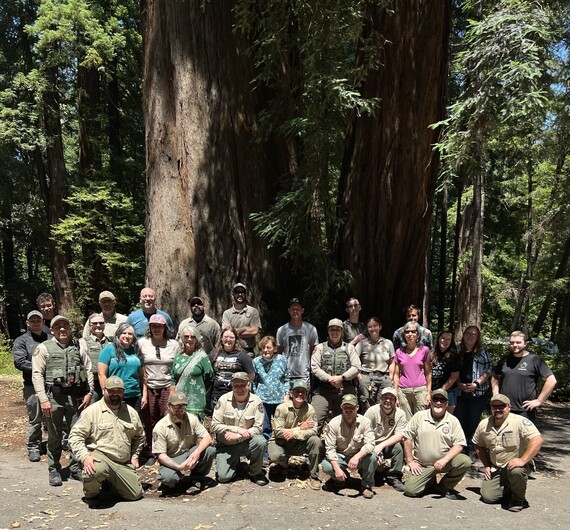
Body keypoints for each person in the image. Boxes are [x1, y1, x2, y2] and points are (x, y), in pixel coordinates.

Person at [32, 315, 94, 486]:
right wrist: (43, 399)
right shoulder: (44, 348)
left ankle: (75, 467)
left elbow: (88, 368)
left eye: (65, 325)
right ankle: (54, 469)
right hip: (54, 398)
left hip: (76, 398)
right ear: (52, 330)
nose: (62, 329)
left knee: (77, 434)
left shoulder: (79, 345)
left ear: (69, 328)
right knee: (54, 435)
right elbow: (37, 374)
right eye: (57, 326)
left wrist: (89, 392)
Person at [68, 376, 145, 507]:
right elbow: (75, 436)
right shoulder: (91, 411)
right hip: (101, 456)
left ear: (123, 392)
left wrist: (135, 456)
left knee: (135, 495)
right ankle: (92, 494)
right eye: (112, 391)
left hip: (122, 462)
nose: (115, 394)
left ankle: (109, 483)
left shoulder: (131, 412)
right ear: (104, 390)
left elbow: (140, 436)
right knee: (96, 469)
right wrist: (85, 457)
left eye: (119, 391)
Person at [473, 393, 543, 512]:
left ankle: (518, 499)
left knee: (516, 471)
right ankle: (511, 489)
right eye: (495, 406)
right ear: (491, 408)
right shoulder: (484, 424)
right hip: (497, 467)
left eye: (502, 406)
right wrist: (486, 466)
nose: (498, 409)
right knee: (488, 497)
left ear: (509, 407)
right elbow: (478, 444)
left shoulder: (520, 421)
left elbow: (537, 439)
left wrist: (523, 460)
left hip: (516, 465)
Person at [402, 388, 471, 499]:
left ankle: (444, 487)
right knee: (411, 491)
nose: (438, 403)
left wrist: (444, 460)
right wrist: (410, 461)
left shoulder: (453, 420)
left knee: (465, 461)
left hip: (444, 463)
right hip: (422, 465)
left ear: (446, 403)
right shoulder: (419, 416)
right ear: (431, 401)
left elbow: (459, 444)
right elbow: (407, 437)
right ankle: (430, 481)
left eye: (442, 400)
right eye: (435, 399)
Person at [211, 372, 268, 486]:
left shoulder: (256, 401)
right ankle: (237, 464)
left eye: (243, 385)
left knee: (260, 441)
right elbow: (214, 425)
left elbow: (258, 428)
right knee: (223, 478)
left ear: (248, 385)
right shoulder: (223, 400)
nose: (239, 388)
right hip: (227, 445)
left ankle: (255, 472)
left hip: (246, 442)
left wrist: (238, 436)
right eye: (236, 385)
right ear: (232, 386)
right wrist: (237, 430)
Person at [152, 391, 215, 493]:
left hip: (189, 453)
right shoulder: (160, 427)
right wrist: (179, 467)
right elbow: (161, 455)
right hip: (172, 458)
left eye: (183, 406)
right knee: (168, 478)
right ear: (169, 406)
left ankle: (197, 478)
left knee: (209, 451)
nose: (180, 410)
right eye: (177, 407)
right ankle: (174, 482)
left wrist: (196, 453)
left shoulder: (192, 419)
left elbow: (207, 438)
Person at [138, 314, 180, 466]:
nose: (156, 329)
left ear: (165, 328)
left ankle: (168, 450)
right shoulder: (142, 343)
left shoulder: (173, 344)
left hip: (168, 386)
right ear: (149, 327)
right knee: (150, 420)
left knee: (168, 419)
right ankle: (152, 451)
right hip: (148, 387)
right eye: (153, 326)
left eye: (160, 326)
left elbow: (178, 366)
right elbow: (139, 365)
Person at [491, 330, 557, 421]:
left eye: (518, 342)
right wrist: (496, 394)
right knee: (503, 435)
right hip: (504, 407)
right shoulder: (505, 359)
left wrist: (539, 400)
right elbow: (495, 375)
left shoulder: (534, 360)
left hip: (525, 410)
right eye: (512, 342)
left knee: (524, 435)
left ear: (525, 344)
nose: (515, 345)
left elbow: (551, 380)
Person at [321, 394, 377, 499]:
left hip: (358, 457)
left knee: (373, 457)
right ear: (341, 408)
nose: (348, 410)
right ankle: (340, 479)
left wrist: (357, 457)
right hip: (341, 457)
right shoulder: (333, 423)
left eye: (351, 407)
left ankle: (367, 486)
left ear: (357, 407)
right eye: (346, 407)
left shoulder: (365, 422)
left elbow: (370, 444)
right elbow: (330, 449)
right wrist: (337, 468)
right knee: (326, 465)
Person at [268, 380, 322, 490]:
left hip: (299, 443)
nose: (300, 394)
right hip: (281, 442)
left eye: (303, 392)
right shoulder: (281, 408)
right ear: (291, 394)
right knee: (275, 456)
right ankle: (283, 466)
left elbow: (314, 430)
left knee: (315, 440)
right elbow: (278, 432)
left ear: (306, 395)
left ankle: (313, 475)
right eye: (297, 391)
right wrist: (299, 429)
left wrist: (294, 434)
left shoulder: (310, 409)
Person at [12, 310, 50, 462]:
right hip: (31, 385)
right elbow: (19, 362)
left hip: (52, 384)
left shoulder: (50, 338)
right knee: (35, 418)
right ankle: (33, 446)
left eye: (38, 320)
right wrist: (39, 368)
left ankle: (57, 443)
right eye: (32, 321)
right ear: (27, 323)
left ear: (43, 322)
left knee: (54, 416)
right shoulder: (21, 341)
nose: (35, 323)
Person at [311, 318, 361, 431]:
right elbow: (314, 367)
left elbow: (357, 366)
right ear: (328, 331)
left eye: (337, 329)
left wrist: (341, 378)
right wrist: (330, 379)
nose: (334, 332)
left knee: (347, 421)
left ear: (342, 332)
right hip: (323, 390)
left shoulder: (349, 348)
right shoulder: (320, 348)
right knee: (314, 421)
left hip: (345, 389)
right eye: (332, 329)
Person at [454, 325, 492, 459]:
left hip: (478, 392)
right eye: (468, 333)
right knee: (459, 419)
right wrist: (457, 383)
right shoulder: (456, 350)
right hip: (459, 392)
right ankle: (460, 446)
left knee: (473, 420)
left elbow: (488, 370)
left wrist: (476, 384)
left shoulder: (483, 352)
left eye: (474, 334)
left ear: (478, 338)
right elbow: (452, 368)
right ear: (463, 335)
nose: (470, 336)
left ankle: (471, 447)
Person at [364, 388, 407, 492]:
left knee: (399, 447)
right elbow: (363, 432)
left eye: (391, 398)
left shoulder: (400, 414)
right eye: (385, 398)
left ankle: (394, 476)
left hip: (388, 444)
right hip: (372, 443)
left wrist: (381, 446)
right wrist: (374, 448)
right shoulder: (372, 411)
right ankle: (373, 473)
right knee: (368, 454)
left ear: (395, 401)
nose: (388, 400)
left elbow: (400, 435)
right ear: (380, 399)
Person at [98, 323, 147, 411]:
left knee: (133, 422)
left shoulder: (137, 351)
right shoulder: (108, 350)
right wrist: (105, 392)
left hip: (135, 395)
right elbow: (102, 374)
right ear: (118, 335)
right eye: (124, 333)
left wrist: (144, 395)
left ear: (133, 337)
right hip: (115, 395)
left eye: (130, 334)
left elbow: (143, 377)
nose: (127, 336)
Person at [171, 327, 214, 420]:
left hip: (196, 402)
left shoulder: (202, 358)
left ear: (197, 340)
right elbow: (173, 379)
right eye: (186, 336)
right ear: (182, 339)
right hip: (179, 401)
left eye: (193, 337)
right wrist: (171, 399)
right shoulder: (177, 357)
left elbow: (209, 378)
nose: (189, 339)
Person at [252, 336, 290, 442]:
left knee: (281, 426)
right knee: (265, 427)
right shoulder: (256, 362)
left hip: (279, 399)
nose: (265, 350)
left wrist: (286, 395)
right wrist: (255, 396)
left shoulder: (282, 360)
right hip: (262, 400)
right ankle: (264, 453)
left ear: (275, 348)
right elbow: (253, 381)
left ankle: (279, 451)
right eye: (263, 348)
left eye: (268, 347)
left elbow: (287, 378)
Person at [392, 320, 432, 420]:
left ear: (418, 334)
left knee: (421, 420)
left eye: (413, 331)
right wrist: (395, 394)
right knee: (406, 421)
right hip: (403, 391)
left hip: (420, 391)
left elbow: (428, 374)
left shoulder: (424, 350)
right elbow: (396, 375)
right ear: (404, 335)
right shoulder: (399, 352)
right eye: (407, 332)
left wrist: (428, 393)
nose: (410, 334)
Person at [355, 316, 395, 412]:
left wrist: (391, 377)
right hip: (367, 378)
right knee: (367, 406)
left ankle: (381, 426)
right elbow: (354, 361)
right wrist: (360, 378)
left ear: (380, 327)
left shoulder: (387, 343)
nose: (373, 329)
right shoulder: (362, 344)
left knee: (384, 405)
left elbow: (392, 361)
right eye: (370, 327)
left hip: (384, 378)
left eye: (375, 326)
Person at [275, 298, 318, 385]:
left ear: (302, 311)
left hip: (304, 374)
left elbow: (314, 351)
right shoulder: (281, 330)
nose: (295, 311)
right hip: (286, 373)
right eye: (293, 309)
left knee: (303, 398)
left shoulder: (311, 329)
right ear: (289, 311)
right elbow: (279, 352)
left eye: (298, 309)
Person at [211, 328, 255, 405]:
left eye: (231, 337)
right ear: (221, 338)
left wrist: (241, 386)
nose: (228, 339)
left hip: (236, 396)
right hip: (217, 396)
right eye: (226, 337)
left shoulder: (242, 355)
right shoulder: (214, 354)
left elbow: (251, 375)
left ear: (236, 340)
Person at [221, 282, 262, 356]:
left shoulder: (253, 311)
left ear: (245, 294)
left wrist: (234, 332)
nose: (240, 294)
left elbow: (254, 331)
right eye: (237, 292)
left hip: (248, 352)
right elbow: (227, 333)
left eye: (242, 292)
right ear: (233, 295)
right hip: (231, 352)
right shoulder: (227, 313)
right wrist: (246, 328)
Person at [79, 313, 111, 403]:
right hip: (92, 384)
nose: (98, 325)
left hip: (109, 382)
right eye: (95, 323)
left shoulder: (111, 342)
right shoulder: (83, 342)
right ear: (89, 325)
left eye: (101, 323)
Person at [430, 330, 460, 413]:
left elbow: (454, 376)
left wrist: (441, 390)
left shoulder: (454, 356)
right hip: (431, 391)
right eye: (443, 338)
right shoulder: (431, 354)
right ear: (438, 339)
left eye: (448, 339)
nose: (445, 341)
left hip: (449, 392)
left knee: (447, 419)